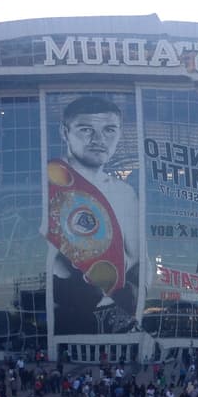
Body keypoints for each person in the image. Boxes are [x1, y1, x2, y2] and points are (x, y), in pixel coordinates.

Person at [46, 96, 140, 335]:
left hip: (117, 307)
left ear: (119, 134)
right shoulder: (49, 184)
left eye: (109, 130)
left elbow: (138, 257)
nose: (98, 140)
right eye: (86, 129)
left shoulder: (125, 193)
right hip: (68, 308)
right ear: (64, 132)